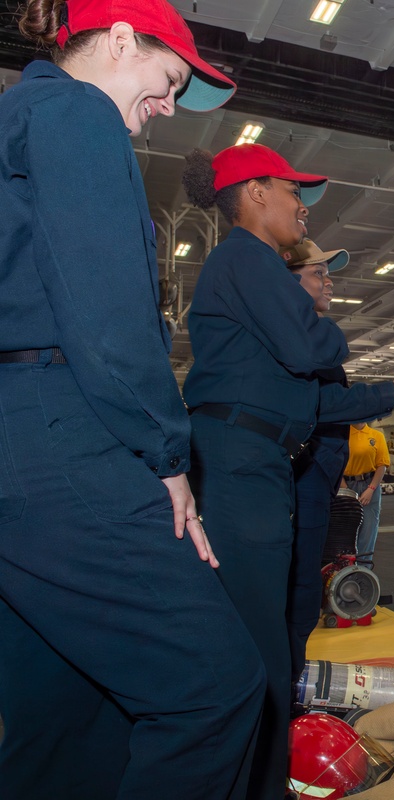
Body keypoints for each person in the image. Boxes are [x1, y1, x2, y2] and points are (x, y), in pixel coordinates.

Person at [0, 1, 267, 797]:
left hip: (15, 442)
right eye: (168, 78)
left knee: (62, 707)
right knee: (215, 686)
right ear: (120, 40)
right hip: (60, 424)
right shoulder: (77, 114)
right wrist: (166, 455)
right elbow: (107, 314)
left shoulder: (15, 114)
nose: (167, 107)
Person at [181, 142, 394, 799]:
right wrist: (321, 324)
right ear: (255, 192)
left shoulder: (248, 265)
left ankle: (257, 779)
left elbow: (306, 396)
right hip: (241, 465)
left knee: (266, 636)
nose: (303, 207)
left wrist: (388, 392)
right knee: (258, 645)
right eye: (293, 191)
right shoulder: (248, 257)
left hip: (253, 458)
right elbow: (311, 347)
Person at [280, 238, 356, 685]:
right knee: (299, 594)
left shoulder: (305, 333)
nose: (329, 282)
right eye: (318, 274)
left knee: (303, 593)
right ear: (290, 283)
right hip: (303, 479)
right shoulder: (300, 337)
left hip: (315, 479)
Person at [344, 421, 391, 569]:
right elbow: (335, 464)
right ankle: (344, 572)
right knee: (345, 531)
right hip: (345, 484)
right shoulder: (342, 435)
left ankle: (364, 572)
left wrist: (371, 488)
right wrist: (346, 492)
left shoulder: (376, 435)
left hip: (370, 484)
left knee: (368, 531)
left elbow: (382, 465)